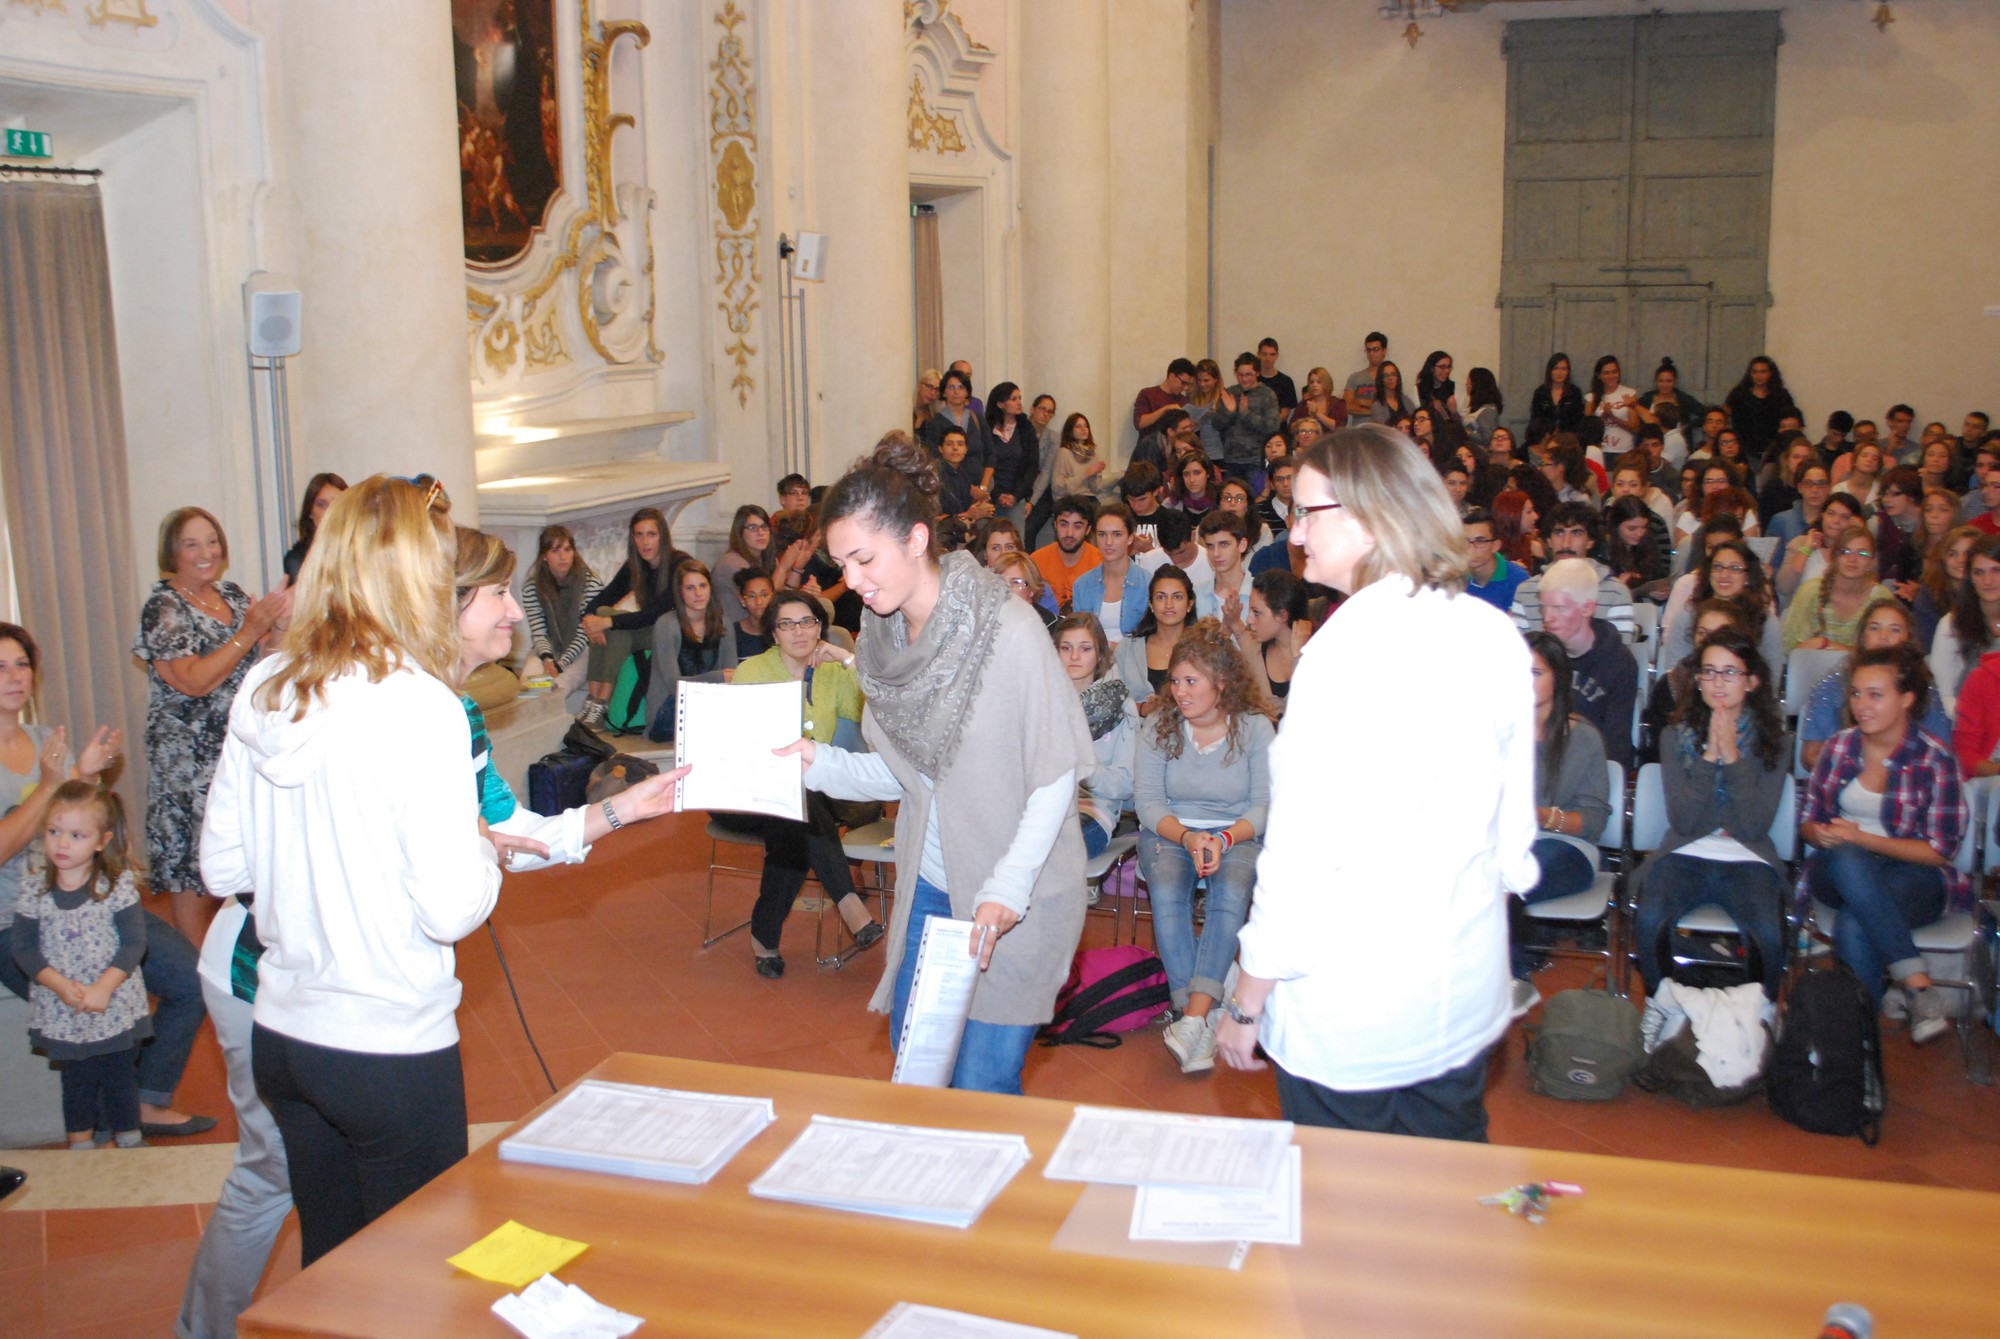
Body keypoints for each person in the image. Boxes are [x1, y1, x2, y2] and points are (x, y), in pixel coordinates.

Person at [199, 478, 681, 1266]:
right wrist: (476, 846)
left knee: (334, 1274)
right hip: (386, 1043)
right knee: (417, 1280)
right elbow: (452, 908)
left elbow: (224, 865)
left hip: (285, 1033)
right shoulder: (418, 703)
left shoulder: (268, 682)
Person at [1216, 423, 1536, 1142]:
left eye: (1308, 512)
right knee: (1441, 1192)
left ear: (1370, 516)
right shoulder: (1489, 631)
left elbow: (1303, 854)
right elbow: (1514, 833)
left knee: (1343, 1199)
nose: (1296, 533)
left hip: (1357, 1003)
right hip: (1459, 983)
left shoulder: (1341, 655)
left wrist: (1247, 998)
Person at [780, 439, 1096, 1096]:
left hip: (1016, 886)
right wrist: (817, 764)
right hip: (931, 882)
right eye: (842, 564)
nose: (852, 581)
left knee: (982, 1085)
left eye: (864, 559)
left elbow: (1054, 773)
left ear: (916, 538)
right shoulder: (881, 640)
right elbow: (914, 776)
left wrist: (1007, 886)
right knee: (919, 1067)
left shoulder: (1005, 628)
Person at [135, 506, 290, 944]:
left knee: (241, 864)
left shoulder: (234, 596)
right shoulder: (163, 606)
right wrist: (249, 631)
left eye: (212, 541)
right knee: (194, 872)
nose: (206, 552)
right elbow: (192, 681)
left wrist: (279, 625)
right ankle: (195, 971)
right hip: (187, 760)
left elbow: (262, 662)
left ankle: (234, 962)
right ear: (173, 552)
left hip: (236, 747)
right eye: (192, 544)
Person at [1800, 644, 1966, 1043]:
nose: (1861, 705)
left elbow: (1939, 851)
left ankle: (1860, 1049)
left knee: (1854, 922)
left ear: (1906, 698)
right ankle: (1918, 986)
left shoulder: (1934, 759)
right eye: (1856, 694)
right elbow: (1808, 821)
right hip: (1837, 871)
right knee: (1846, 856)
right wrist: (1819, 834)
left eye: (1875, 695)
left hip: (1914, 877)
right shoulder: (1838, 747)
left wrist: (1864, 838)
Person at [1134, 618, 1275, 1075]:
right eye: (1175, 681)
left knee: (1230, 892)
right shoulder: (1159, 724)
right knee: (1167, 891)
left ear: (1222, 683)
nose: (1179, 691)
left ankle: (1192, 1019)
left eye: (1191, 681)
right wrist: (1189, 836)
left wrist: (1224, 837)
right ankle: (1197, 1013)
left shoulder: (1254, 728)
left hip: (1237, 833)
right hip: (1172, 831)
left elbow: (1264, 805)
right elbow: (1148, 802)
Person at [728, 591, 886, 976]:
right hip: (746, 791)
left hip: (806, 796)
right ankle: (849, 904)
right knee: (799, 803)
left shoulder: (832, 673)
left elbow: (880, 708)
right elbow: (738, 746)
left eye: (807, 622)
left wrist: (847, 659)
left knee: (794, 827)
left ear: (820, 628)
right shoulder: (753, 673)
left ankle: (765, 938)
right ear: (773, 633)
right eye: (787, 624)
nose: (798, 631)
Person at [1632, 629, 1792, 999]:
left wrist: (1732, 757)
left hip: (1748, 857)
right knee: (1650, 918)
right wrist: (1708, 757)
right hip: (1685, 851)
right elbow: (1683, 821)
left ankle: (1761, 1012)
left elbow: (1754, 826)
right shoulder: (1674, 736)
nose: (1718, 682)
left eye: (1730, 672)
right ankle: (1660, 1004)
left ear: (1751, 681)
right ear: (1698, 680)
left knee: (1768, 932)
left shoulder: (1777, 743)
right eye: (1709, 672)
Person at [11, 782, 150, 1149]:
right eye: (54, 831)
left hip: (113, 1003)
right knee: (76, 1080)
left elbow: (134, 942)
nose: (62, 843)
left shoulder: (115, 886)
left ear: (101, 841)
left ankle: (130, 1140)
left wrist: (104, 987)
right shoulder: (34, 890)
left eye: (77, 835)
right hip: (64, 1007)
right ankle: (80, 1147)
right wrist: (57, 984)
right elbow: (23, 947)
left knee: (120, 1075)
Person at [1508, 633, 1612, 1017]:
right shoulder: (1498, 731)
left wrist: (1541, 816)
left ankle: (1512, 977)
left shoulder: (1582, 738)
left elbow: (1594, 822)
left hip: (1568, 847)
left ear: (1559, 679)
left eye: (1535, 672)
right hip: (1508, 840)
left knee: (1510, 877)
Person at [1800, 597, 1951, 772]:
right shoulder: (1834, 684)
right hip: (1843, 777)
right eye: (1874, 628)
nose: (1884, 636)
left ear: (1908, 639)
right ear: (1862, 637)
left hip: (1909, 778)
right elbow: (1810, 756)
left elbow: (1942, 751)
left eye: (1895, 629)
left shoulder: (1924, 687)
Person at [576, 506, 688, 728]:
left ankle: (602, 701)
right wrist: (590, 621)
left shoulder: (679, 564)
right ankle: (594, 700)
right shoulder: (636, 565)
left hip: (673, 635)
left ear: (662, 537)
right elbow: (605, 597)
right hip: (648, 630)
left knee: (616, 626)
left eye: (651, 534)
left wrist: (608, 622)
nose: (645, 542)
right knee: (604, 614)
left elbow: (655, 613)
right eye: (639, 535)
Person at [1538, 558, 1638, 767]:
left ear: (1587, 608)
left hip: (1591, 764)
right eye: (1543, 607)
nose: (1548, 618)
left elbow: (1617, 743)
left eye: (1559, 608)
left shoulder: (1619, 662)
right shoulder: (1540, 656)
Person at [1052, 614, 1136, 859]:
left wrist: (1083, 771)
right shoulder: (1041, 700)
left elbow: (1126, 783)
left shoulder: (1121, 705)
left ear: (1100, 654)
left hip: (1092, 809)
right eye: (1066, 648)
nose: (1074, 657)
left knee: (1050, 848)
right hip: (1039, 805)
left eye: (1085, 648)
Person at [646, 559, 741, 742]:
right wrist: (718, 677)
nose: (698, 593)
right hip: (670, 708)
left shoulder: (723, 623)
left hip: (710, 703)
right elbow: (674, 685)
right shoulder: (667, 624)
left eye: (703, 586)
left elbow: (733, 675)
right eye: (690, 588)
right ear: (680, 592)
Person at [1508, 503, 1634, 639]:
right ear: (1548, 541)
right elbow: (1519, 648)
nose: (1566, 544)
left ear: (1590, 542)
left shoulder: (1615, 591)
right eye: (1559, 533)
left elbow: (1619, 648)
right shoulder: (1526, 590)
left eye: (1576, 533)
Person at [1661, 535, 1784, 672]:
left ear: (1748, 576)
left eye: (1735, 568)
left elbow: (1771, 676)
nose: (1724, 575)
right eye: (1718, 567)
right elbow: (1676, 672)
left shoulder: (1765, 622)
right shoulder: (1688, 616)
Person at [1781, 525, 1896, 655]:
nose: (1852, 559)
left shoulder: (1881, 597)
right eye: (1845, 552)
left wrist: (1831, 646)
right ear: (1834, 557)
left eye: (1862, 553)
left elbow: (1886, 652)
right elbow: (1790, 647)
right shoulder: (1811, 591)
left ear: (1872, 561)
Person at [519, 524, 603, 701]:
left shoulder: (591, 584)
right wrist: (548, 659)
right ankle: (538, 713)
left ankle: (553, 706)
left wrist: (561, 664)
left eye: (567, 550)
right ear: (544, 556)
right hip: (550, 648)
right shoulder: (532, 586)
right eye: (555, 551)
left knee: (559, 685)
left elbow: (584, 634)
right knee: (528, 686)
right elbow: (539, 632)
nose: (563, 557)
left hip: (584, 648)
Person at [1929, 533, 2000, 714]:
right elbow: (1942, 693)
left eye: (1996, 570)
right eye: (1979, 572)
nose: (1988, 581)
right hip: (1965, 717)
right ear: (1970, 578)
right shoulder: (1952, 625)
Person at [1115, 565, 1197, 715]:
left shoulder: (1204, 649)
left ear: (1189, 604)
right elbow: (1111, 701)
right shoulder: (1127, 649)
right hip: (1137, 728)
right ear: (1151, 604)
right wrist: (1142, 709)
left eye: (1177, 597)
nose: (1169, 605)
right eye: (1161, 597)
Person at [1071, 502, 1148, 643]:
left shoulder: (1148, 583)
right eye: (1102, 534)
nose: (1108, 542)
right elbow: (1078, 636)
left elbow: (1153, 638)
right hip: (1094, 655)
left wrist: (1119, 650)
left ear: (1130, 538)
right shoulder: (1081, 585)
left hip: (1134, 656)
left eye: (1117, 534)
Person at [1237, 568, 1308, 711]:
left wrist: (1298, 659)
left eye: (1256, 613)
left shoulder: (1322, 652)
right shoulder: (1252, 653)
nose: (1249, 620)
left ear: (1282, 615)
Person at [1030, 494, 1102, 615]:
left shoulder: (1101, 563)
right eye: (1063, 524)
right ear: (1055, 525)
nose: (1069, 533)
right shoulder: (1035, 562)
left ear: (1088, 529)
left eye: (1077, 526)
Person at [1213, 352, 1282, 476]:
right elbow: (1216, 425)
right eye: (1240, 375)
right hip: (1231, 458)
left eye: (1248, 374)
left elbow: (1273, 427)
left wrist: (1246, 414)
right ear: (1235, 373)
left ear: (1257, 373)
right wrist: (1229, 412)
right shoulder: (1230, 393)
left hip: (1256, 459)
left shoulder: (1267, 394)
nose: (1244, 379)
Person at [1723, 355, 1800, 463]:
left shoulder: (1781, 396)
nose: (1758, 376)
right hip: (1745, 450)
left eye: (1763, 372)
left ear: (1771, 373)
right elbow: (1724, 414)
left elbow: (1790, 420)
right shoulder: (1739, 394)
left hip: (1775, 451)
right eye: (1755, 372)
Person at [921, 367, 991, 483]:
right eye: (951, 387)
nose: (956, 392)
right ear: (944, 392)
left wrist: (984, 486)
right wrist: (970, 489)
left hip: (982, 485)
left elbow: (990, 454)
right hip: (951, 486)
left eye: (961, 387)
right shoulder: (935, 423)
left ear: (967, 392)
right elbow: (935, 460)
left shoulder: (977, 419)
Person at [711, 504, 775, 625]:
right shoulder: (732, 563)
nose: (761, 532)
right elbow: (766, 603)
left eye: (764, 526)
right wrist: (784, 568)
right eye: (752, 527)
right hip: (733, 631)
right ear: (739, 532)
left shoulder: (760, 560)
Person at [984, 381, 1035, 523]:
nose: (1019, 402)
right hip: (990, 495)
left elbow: (1032, 465)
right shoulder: (987, 428)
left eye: (1020, 398)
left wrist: (1016, 495)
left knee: (1015, 535)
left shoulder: (1026, 428)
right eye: (1013, 399)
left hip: (1016, 496)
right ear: (1000, 404)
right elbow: (983, 462)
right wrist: (996, 494)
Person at [281, 472, 347, 583]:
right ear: (310, 511)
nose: (329, 512)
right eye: (321, 505)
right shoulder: (297, 558)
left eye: (336, 504)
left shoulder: (364, 550)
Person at [1463, 506, 1530, 613]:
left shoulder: (1518, 581)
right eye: (1464, 541)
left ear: (1495, 545)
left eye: (1480, 541)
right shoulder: (1455, 579)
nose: (1471, 548)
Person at [1197, 510, 1252, 623]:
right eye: (1210, 546)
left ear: (1242, 545)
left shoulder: (1261, 594)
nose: (1216, 553)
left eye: (1224, 545)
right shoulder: (1196, 593)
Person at [1050, 412, 1115, 504]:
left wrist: (1095, 474)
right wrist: (1087, 473)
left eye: (1085, 426)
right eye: (1078, 426)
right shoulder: (1063, 453)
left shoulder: (1092, 454)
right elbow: (1058, 487)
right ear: (1070, 431)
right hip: (1069, 499)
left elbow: (1096, 489)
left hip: (1089, 498)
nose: (1083, 429)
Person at [1585, 355, 1641, 461]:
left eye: (1614, 372)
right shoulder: (1591, 397)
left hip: (1624, 450)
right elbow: (1588, 429)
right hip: (1600, 451)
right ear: (1598, 375)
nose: (1611, 376)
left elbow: (1635, 427)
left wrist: (1613, 418)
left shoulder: (1628, 394)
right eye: (1606, 373)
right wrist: (1604, 416)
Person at [1528, 353, 1586, 442]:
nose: (1560, 372)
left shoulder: (1574, 392)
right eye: (1556, 368)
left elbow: (1578, 421)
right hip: (1544, 440)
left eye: (1563, 369)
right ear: (1550, 371)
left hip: (1567, 441)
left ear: (1568, 371)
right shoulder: (1540, 392)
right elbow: (1535, 420)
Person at [994, 551, 1059, 630]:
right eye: (1000, 581)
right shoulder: (986, 621)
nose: (1007, 588)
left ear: (1032, 588)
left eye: (1016, 582)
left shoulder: (1052, 627)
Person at [1133, 358, 1195, 435]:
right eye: (1183, 383)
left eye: (1188, 384)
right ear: (1172, 376)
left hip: (1178, 442)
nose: (1186, 388)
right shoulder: (1147, 394)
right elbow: (1140, 423)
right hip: (1152, 441)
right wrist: (1165, 409)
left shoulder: (1184, 401)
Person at [1490, 490, 1543, 575]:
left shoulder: (1534, 548)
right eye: (1529, 512)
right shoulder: (1490, 550)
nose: (1536, 516)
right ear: (1512, 515)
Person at [1342, 331, 1388, 420]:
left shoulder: (1390, 378)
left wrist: (1362, 402)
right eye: (1368, 350)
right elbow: (1347, 407)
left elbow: (1391, 406)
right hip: (1360, 428)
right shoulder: (1354, 378)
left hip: (1383, 427)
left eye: (1375, 349)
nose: (1371, 353)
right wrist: (1374, 410)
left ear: (1384, 351)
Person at [730, 569, 776, 659]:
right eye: (751, 596)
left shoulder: (783, 629)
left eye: (764, 595)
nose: (759, 602)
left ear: (773, 596)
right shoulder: (732, 633)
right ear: (742, 600)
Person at [1367, 360, 1413, 426]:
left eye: (1393, 374)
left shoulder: (1407, 401)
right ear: (1381, 380)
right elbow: (1381, 430)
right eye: (1386, 376)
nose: (1390, 378)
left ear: (1397, 378)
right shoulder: (1377, 406)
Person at [1255, 337, 1297, 410]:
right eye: (1264, 354)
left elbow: (1285, 412)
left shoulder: (1286, 381)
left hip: (1278, 418)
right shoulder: (1251, 380)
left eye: (1272, 354)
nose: (1268, 358)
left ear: (1277, 355)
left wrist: (1272, 418)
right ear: (1258, 354)